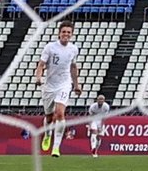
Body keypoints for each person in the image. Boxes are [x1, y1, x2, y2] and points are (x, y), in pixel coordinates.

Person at [33, 21, 80, 158]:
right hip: (49, 85)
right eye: (64, 32)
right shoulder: (50, 47)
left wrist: (76, 85)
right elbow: (41, 65)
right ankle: (47, 134)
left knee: (59, 113)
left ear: (72, 34)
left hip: (65, 84)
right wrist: (38, 77)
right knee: (49, 117)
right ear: (59, 33)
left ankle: (56, 147)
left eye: (68, 32)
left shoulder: (73, 49)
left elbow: (73, 67)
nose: (66, 34)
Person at [86, 93, 110, 158]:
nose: (101, 101)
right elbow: (90, 116)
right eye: (99, 99)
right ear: (97, 100)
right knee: (94, 132)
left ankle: (96, 150)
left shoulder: (106, 107)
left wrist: (101, 126)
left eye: (102, 99)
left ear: (104, 100)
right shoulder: (93, 107)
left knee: (99, 137)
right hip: (94, 120)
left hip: (100, 120)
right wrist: (90, 125)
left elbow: (104, 117)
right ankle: (93, 148)